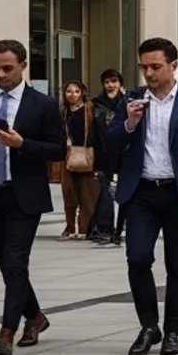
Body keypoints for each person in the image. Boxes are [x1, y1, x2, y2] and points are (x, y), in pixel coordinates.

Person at [109, 37, 178, 355]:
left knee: (177, 266)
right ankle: (148, 326)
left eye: (156, 66)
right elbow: (110, 143)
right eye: (144, 67)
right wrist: (129, 122)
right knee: (138, 258)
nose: (149, 73)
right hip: (140, 192)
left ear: (173, 65)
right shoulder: (132, 100)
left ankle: (172, 332)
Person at [0, 40, 66, 355]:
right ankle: (35, 316)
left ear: (23, 65)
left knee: (15, 261)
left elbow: (58, 149)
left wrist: (23, 143)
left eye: (7, 68)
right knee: (8, 265)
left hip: (24, 194)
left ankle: (6, 333)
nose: (0, 74)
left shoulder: (43, 104)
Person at [58, 80, 101, 240]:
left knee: (87, 194)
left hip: (87, 155)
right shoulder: (62, 112)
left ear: (83, 92)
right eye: (69, 91)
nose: (73, 95)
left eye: (76, 91)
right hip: (69, 156)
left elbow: (97, 131)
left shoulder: (89, 109)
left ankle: (84, 228)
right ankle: (69, 228)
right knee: (68, 193)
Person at [88, 68, 126, 246]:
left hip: (125, 155)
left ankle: (120, 229)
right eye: (107, 82)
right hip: (103, 155)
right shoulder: (96, 104)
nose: (111, 85)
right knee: (104, 193)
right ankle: (104, 229)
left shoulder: (127, 102)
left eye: (114, 81)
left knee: (126, 193)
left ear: (120, 83)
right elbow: (93, 131)